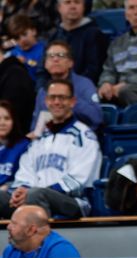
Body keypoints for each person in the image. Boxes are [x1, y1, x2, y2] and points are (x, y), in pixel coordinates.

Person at [0, 79, 101, 219]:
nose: (57, 102)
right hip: (33, 198)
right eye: (52, 97)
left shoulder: (84, 136)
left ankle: (41, 239)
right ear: (46, 101)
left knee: (35, 194)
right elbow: (25, 173)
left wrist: (38, 192)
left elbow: (77, 183)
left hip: (74, 202)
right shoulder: (39, 139)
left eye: (62, 97)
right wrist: (20, 191)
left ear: (72, 102)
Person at [30, 41, 102, 136]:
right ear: (45, 64)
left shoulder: (84, 84)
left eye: (61, 55)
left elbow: (97, 118)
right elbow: (35, 128)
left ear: (70, 63)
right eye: (51, 56)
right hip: (49, 142)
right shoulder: (43, 92)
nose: (55, 59)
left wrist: (69, 99)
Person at [48, 0, 108, 86]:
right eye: (68, 2)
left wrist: (69, 88)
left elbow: (94, 70)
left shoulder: (94, 35)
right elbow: (42, 69)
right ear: (58, 8)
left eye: (77, 2)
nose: (73, 6)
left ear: (84, 7)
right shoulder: (54, 36)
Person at [2, 204, 80, 258]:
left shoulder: (62, 251)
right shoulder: (11, 250)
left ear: (31, 230)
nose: (8, 227)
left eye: (14, 224)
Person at [0, 100, 31, 191]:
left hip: (9, 194)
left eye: (7, 118)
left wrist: (8, 186)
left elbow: (25, 178)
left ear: (14, 121)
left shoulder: (24, 146)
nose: (2, 123)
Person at [6, 13, 44, 80]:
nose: (22, 40)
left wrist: (26, 62)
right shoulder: (12, 55)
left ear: (34, 31)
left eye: (24, 34)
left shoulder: (45, 50)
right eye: (17, 38)